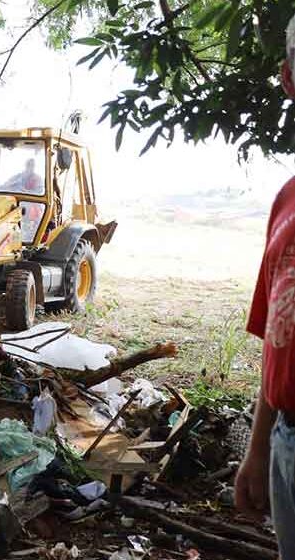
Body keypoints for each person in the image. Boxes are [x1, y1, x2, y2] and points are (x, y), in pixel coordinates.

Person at [235, 15, 295, 559]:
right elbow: (277, 343)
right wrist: (257, 451)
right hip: (286, 445)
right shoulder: (286, 201)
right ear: (290, 78)